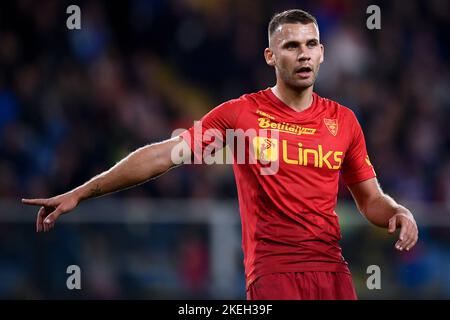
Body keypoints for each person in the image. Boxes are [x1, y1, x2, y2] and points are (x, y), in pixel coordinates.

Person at [22, 9, 418, 300]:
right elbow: (164, 155)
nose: (303, 54)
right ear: (270, 56)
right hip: (274, 276)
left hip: (333, 273)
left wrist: (398, 212)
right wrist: (84, 191)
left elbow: (370, 200)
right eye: (291, 45)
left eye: (311, 45)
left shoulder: (343, 121)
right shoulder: (241, 114)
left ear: (322, 53)